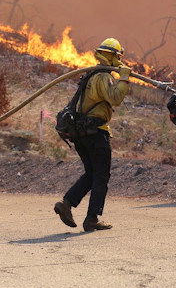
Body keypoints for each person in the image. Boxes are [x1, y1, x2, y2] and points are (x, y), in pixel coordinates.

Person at [54, 38, 131, 232]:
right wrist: (124, 79)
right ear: (112, 56)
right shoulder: (103, 76)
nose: (119, 61)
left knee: (92, 173)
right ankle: (92, 218)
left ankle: (67, 203)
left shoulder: (91, 74)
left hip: (82, 134)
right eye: (118, 57)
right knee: (101, 176)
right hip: (96, 133)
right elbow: (115, 98)